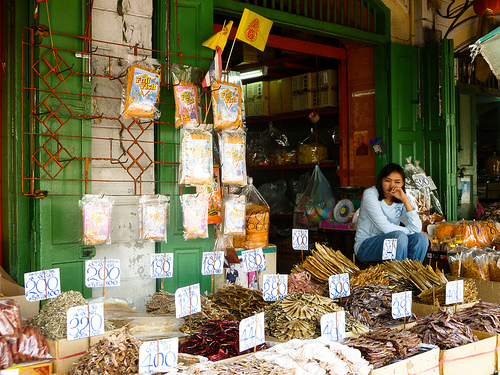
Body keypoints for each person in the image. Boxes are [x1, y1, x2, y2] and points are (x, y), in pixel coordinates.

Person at [354, 163, 429, 262]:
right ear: (381, 181)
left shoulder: (402, 197)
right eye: (387, 180)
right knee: (399, 237)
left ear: (402, 184)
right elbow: (385, 228)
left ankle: (411, 274)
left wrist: (405, 200)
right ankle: (397, 275)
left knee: (421, 238)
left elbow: (417, 227)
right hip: (366, 246)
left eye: (397, 182)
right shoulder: (370, 194)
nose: (392, 185)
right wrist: (411, 231)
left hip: (394, 242)